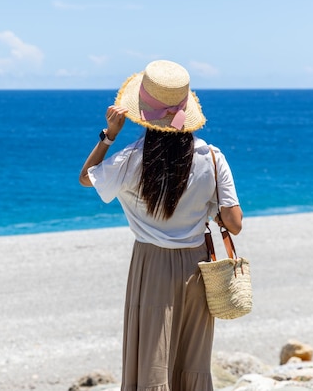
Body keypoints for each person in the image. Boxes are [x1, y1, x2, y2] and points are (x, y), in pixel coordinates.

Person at [79, 60, 243, 391]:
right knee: (191, 356)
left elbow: (86, 179)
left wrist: (109, 135)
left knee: (152, 355)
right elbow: (234, 224)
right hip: (196, 267)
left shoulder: (132, 157)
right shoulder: (212, 157)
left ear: (143, 114)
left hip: (150, 265)